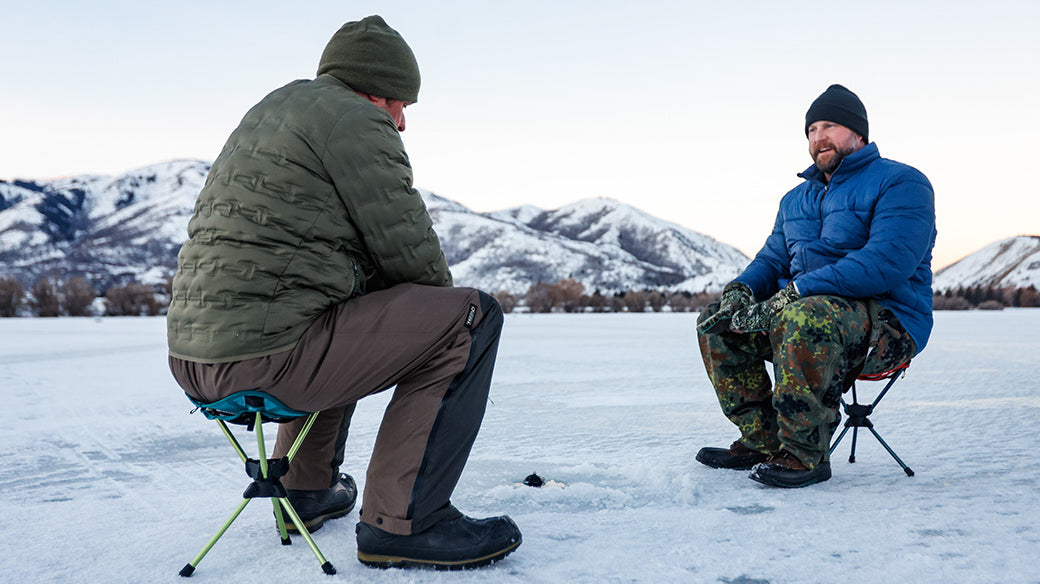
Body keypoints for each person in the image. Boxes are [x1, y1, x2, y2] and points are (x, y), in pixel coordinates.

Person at [166, 15, 521, 569]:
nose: (402, 123)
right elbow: (407, 244)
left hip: (194, 359)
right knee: (470, 317)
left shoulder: (271, 112)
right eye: (403, 104)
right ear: (377, 91)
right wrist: (442, 322)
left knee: (337, 315)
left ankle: (304, 493)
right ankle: (404, 523)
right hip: (271, 360)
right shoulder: (354, 120)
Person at [694, 84, 936, 488]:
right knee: (716, 321)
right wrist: (740, 290)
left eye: (830, 125)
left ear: (859, 134)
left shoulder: (902, 182)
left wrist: (795, 292)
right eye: (811, 129)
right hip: (806, 315)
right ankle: (763, 440)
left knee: (806, 314)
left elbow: (885, 263)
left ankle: (805, 454)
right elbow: (772, 259)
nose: (818, 136)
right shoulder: (794, 199)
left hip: (889, 322)